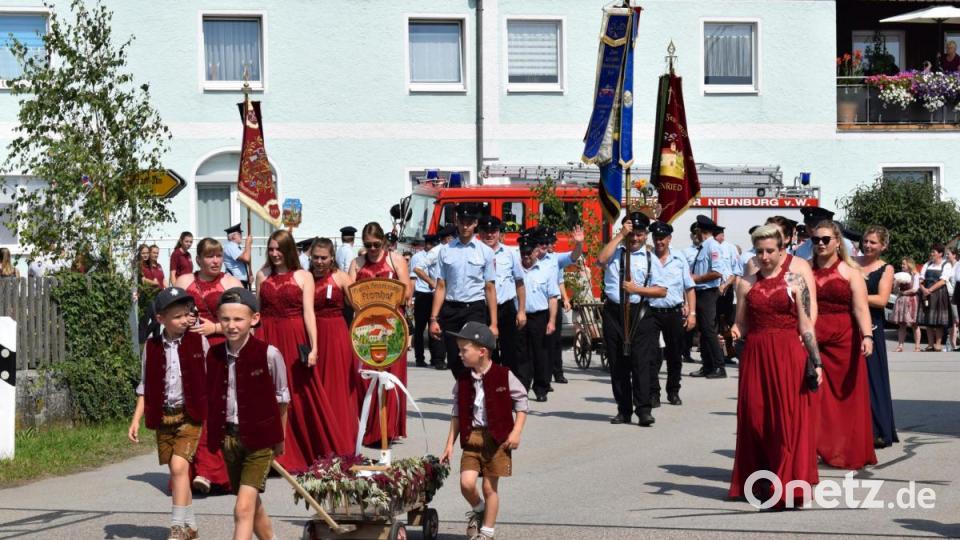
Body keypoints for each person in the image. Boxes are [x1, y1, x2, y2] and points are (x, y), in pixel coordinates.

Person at [728, 225, 821, 508]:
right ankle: (759, 481)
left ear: (782, 250)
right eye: (760, 251)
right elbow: (741, 323)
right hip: (755, 355)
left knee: (785, 421)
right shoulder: (745, 283)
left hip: (788, 354)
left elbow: (806, 324)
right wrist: (733, 333)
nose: (765, 256)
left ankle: (785, 485)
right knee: (755, 419)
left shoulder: (795, 280)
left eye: (770, 250)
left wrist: (816, 361)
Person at [257, 230, 351, 470]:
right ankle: (269, 454)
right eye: (271, 249)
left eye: (279, 249)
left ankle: (305, 450)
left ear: (288, 250)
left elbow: (308, 313)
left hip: (293, 336)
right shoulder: (261, 275)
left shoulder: (303, 276)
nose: (275, 253)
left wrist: (314, 347)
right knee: (268, 395)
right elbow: (256, 313)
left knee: (300, 394)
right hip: (267, 336)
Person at [206, 287, 289, 540]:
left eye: (238, 319)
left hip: (260, 440)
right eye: (225, 319)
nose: (231, 325)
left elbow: (282, 400)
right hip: (229, 440)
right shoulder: (214, 355)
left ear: (254, 319)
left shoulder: (269, 354)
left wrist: (280, 439)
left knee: (242, 508)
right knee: (251, 503)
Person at [128, 287, 208, 540]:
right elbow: (145, 386)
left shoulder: (198, 341)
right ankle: (191, 525)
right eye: (178, 316)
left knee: (178, 467)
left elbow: (214, 375)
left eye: (187, 314)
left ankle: (176, 527)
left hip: (190, 416)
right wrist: (136, 419)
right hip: (164, 417)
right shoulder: (151, 347)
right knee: (179, 473)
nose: (185, 320)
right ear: (161, 319)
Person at [440, 321, 528, 540]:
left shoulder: (504, 375)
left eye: (464, 350)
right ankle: (479, 510)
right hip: (472, 438)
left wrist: (516, 432)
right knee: (466, 483)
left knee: (489, 487)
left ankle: (487, 533)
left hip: (497, 440)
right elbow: (457, 413)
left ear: (482, 352)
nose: (460, 354)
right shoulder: (463, 379)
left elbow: (522, 402)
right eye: (459, 350)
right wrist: (449, 444)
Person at [174, 237, 240, 494]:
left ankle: (210, 471)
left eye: (219, 255)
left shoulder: (231, 283)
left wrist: (215, 328)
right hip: (190, 350)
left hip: (221, 350)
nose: (215, 261)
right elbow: (169, 317)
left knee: (217, 410)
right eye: (210, 256)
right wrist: (183, 322)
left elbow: (245, 322)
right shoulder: (184, 282)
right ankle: (189, 469)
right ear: (198, 259)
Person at [810, 221, 876, 469]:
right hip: (812, 340)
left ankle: (845, 447)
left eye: (826, 239)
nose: (820, 244)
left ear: (838, 242)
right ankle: (814, 447)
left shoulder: (850, 271)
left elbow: (861, 308)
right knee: (813, 395)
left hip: (845, 341)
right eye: (816, 239)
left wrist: (867, 336)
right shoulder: (804, 269)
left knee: (845, 398)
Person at [597, 212, 667, 427]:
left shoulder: (650, 259)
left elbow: (661, 290)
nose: (635, 238)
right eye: (631, 234)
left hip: (640, 312)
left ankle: (644, 410)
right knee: (617, 363)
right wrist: (620, 236)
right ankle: (623, 409)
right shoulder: (615, 253)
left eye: (639, 234)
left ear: (645, 235)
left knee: (641, 363)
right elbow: (600, 260)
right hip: (615, 312)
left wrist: (637, 289)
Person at [349, 222, 412, 446]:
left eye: (376, 244)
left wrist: (387, 295)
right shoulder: (357, 263)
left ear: (383, 242)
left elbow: (407, 291)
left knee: (390, 376)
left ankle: (387, 429)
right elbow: (349, 294)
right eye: (368, 245)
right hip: (366, 325)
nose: (373, 249)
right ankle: (368, 427)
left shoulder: (395, 260)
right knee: (364, 375)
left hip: (392, 324)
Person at [429, 203, 498, 379]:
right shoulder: (446, 250)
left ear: (475, 224)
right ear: (456, 222)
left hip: (474, 309)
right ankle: (464, 389)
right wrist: (433, 319)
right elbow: (441, 286)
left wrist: (494, 323)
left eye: (469, 222)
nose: (465, 226)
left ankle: (474, 390)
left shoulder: (485, 252)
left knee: (473, 355)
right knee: (455, 358)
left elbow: (490, 287)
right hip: (451, 309)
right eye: (462, 222)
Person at [309, 237, 361, 449]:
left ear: (332, 257)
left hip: (336, 334)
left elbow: (359, 307)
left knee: (337, 384)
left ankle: (341, 435)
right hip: (312, 332)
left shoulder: (341, 277)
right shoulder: (306, 277)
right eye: (316, 257)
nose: (319, 262)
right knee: (315, 384)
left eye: (324, 258)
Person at [857, 226, 899, 449]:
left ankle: (877, 429)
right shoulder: (852, 262)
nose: (867, 245)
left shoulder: (886, 268)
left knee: (872, 376)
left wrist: (855, 294)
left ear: (883, 246)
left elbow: (882, 300)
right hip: (849, 322)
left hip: (873, 324)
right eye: (865, 241)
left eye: (873, 242)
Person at [648, 221, 696, 407]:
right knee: (652, 355)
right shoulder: (647, 257)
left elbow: (689, 287)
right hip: (651, 312)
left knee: (675, 354)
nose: (659, 242)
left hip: (673, 312)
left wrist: (692, 313)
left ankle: (673, 391)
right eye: (656, 238)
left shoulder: (679, 258)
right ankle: (653, 393)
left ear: (669, 239)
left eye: (662, 238)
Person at [478, 215, 526, 372]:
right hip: (482, 308)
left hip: (505, 308)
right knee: (485, 351)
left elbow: (519, 282)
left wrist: (521, 310)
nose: (489, 235)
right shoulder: (475, 252)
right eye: (485, 231)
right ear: (480, 232)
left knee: (510, 351)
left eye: (493, 231)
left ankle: (509, 383)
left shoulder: (510, 253)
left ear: (499, 232)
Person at [539, 225, 585, 386]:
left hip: (553, 304)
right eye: (546, 242)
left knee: (555, 341)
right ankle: (541, 378)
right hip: (536, 305)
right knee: (539, 343)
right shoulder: (529, 257)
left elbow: (560, 281)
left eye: (551, 242)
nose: (550, 245)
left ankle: (557, 372)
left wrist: (565, 299)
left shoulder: (555, 259)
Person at [517, 232, 559, 401]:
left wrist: (552, 321)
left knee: (541, 354)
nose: (526, 256)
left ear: (536, 251)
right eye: (523, 253)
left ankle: (541, 387)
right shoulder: (515, 269)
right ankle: (522, 388)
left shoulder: (546, 270)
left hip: (539, 316)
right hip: (519, 316)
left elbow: (553, 297)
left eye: (529, 253)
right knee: (521, 354)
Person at [688, 215, 731, 379]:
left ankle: (719, 366)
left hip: (708, 292)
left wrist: (697, 278)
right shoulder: (704, 246)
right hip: (700, 292)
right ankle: (707, 366)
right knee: (703, 331)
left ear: (700, 230)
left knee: (709, 330)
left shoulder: (712, 246)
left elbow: (717, 272)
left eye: (697, 231)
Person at [415, 225, 456, 369]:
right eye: (454, 237)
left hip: (451, 294)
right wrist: (431, 282)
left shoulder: (454, 250)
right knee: (438, 326)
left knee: (449, 327)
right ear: (448, 238)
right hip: (437, 294)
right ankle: (438, 360)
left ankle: (447, 358)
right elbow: (418, 268)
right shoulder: (436, 251)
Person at [917, 243, 952, 352]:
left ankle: (938, 344)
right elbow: (921, 279)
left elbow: (943, 281)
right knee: (928, 319)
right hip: (926, 293)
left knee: (939, 321)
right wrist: (923, 289)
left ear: (940, 254)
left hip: (939, 294)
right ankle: (930, 344)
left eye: (934, 252)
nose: (931, 254)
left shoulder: (946, 265)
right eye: (931, 252)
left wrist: (929, 290)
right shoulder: (927, 264)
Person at [715, 227, 742, 361]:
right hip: (712, 290)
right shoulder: (709, 247)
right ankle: (716, 354)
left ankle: (730, 352)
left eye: (719, 234)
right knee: (714, 323)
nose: (717, 237)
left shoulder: (730, 248)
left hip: (727, 289)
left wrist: (725, 285)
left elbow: (736, 271)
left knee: (729, 321)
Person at [892, 257, 922, 352]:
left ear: (909, 264)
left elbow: (915, 289)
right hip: (901, 300)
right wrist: (896, 283)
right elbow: (895, 291)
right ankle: (900, 346)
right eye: (902, 264)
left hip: (911, 300)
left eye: (904, 264)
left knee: (914, 324)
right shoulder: (901, 275)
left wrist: (904, 293)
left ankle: (917, 346)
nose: (902, 265)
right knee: (902, 324)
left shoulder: (915, 275)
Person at [681, 223, 701, 364]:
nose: (696, 236)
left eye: (699, 233)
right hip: (690, 291)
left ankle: (706, 354)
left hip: (705, 291)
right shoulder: (686, 252)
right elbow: (683, 278)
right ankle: (685, 352)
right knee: (688, 324)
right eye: (694, 233)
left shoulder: (708, 249)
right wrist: (686, 302)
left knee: (705, 325)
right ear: (691, 235)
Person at [222, 223, 252, 289]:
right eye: (239, 234)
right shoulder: (230, 246)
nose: (241, 236)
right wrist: (248, 244)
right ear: (233, 237)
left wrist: (250, 274)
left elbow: (246, 261)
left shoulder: (236, 248)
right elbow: (246, 258)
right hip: (235, 282)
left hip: (240, 281)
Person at [946, 246, 959, 351]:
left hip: (955, 295)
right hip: (949, 295)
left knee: (956, 319)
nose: (947, 256)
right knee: (952, 320)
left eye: (948, 254)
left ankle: (953, 344)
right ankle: (952, 344)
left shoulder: (958, 265)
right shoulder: (948, 266)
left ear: (954, 255)